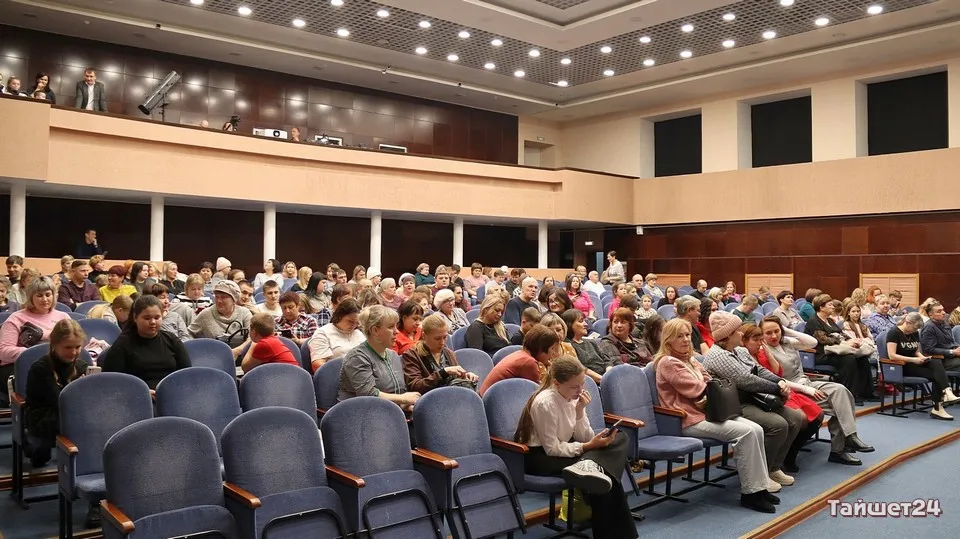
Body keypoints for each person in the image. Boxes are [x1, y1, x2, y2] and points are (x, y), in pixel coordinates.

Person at [653, 318, 777, 513]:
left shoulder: (690, 359)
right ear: (668, 340)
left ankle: (761, 487)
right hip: (688, 419)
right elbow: (697, 389)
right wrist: (707, 391)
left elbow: (709, 380)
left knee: (757, 429)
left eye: (687, 335)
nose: (686, 339)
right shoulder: (668, 362)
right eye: (679, 336)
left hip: (708, 413)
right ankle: (750, 493)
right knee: (745, 433)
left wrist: (707, 391)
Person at [516, 356, 637, 539]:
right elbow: (552, 449)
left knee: (620, 437)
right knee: (603, 472)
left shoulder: (575, 397)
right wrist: (587, 447)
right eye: (575, 387)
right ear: (556, 384)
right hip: (541, 457)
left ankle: (588, 465)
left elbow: (585, 437)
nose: (580, 390)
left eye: (582, 384)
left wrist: (579, 411)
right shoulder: (545, 403)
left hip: (567, 449)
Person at [704, 312, 804, 489]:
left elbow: (759, 370)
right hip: (734, 404)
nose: (741, 333)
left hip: (753, 398)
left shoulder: (740, 350)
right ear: (728, 335)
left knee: (796, 418)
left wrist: (779, 381)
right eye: (737, 330)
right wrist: (776, 388)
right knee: (778, 425)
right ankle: (760, 474)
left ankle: (773, 467)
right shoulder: (717, 356)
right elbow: (745, 380)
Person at [759, 316, 873, 466]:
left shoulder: (787, 342)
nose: (774, 336)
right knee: (841, 405)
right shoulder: (763, 350)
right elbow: (775, 379)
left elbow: (813, 342)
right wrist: (807, 389)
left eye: (776, 331)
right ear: (761, 334)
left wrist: (786, 330)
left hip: (806, 381)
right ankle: (840, 449)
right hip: (790, 390)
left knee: (841, 391)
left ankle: (850, 436)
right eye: (768, 333)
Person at [24, 319, 95, 524]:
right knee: (87, 429)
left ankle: (95, 495)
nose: (74, 352)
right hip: (44, 416)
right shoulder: (41, 368)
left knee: (93, 425)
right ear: (54, 345)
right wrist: (79, 390)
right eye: (68, 347)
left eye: (77, 347)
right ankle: (90, 491)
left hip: (72, 414)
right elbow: (60, 402)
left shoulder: (81, 365)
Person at [0, 277, 71, 403]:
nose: (44, 299)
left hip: (57, 364)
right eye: (39, 295)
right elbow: (3, 351)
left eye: (48, 294)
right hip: (19, 366)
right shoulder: (16, 319)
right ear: (30, 297)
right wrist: (34, 353)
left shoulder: (63, 317)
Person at [338, 305, 420, 411]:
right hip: (360, 414)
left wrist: (408, 405)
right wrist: (403, 399)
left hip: (389, 412)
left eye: (396, 326)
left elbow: (399, 392)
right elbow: (369, 394)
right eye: (391, 327)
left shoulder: (393, 355)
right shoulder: (357, 358)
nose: (396, 331)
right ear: (375, 330)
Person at [103, 295, 191, 389]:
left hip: (171, 391)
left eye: (157, 318)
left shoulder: (172, 340)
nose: (153, 322)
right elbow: (112, 381)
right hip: (137, 394)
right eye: (147, 318)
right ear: (135, 317)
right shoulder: (122, 344)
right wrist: (141, 391)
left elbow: (186, 374)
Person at [886, 312, 957, 420]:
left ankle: (947, 392)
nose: (914, 331)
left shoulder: (914, 333)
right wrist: (913, 360)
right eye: (914, 328)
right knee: (937, 376)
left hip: (915, 363)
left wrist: (922, 357)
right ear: (907, 322)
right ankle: (939, 407)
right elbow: (892, 355)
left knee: (935, 362)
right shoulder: (894, 333)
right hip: (903, 366)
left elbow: (916, 351)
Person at [804, 294, 873, 404]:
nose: (833, 307)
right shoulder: (813, 321)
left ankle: (866, 392)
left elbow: (841, 334)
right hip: (820, 354)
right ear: (821, 307)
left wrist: (852, 341)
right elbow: (823, 339)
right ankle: (850, 394)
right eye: (830, 305)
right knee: (849, 359)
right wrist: (844, 342)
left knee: (862, 358)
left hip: (835, 351)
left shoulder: (830, 320)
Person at [402, 314, 479, 393]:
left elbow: (455, 379)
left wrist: (466, 376)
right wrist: (443, 373)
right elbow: (415, 386)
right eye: (437, 338)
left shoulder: (449, 353)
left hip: (452, 395)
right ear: (424, 335)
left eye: (445, 337)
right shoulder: (412, 355)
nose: (442, 342)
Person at [478, 325, 560, 395]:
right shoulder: (529, 362)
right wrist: (552, 371)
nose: (553, 353)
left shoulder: (522, 354)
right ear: (541, 348)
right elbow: (538, 394)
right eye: (552, 348)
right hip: (493, 402)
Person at [187, 280, 251, 361]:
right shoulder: (206, 314)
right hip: (214, 360)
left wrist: (237, 351)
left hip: (241, 359)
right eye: (217, 297)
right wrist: (199, 351)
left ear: (234, 300)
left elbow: (252, 338)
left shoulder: (244, 313)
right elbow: (188, 333)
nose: (219, 301)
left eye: (223, 297)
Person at [562, 309, 618, 384]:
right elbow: (580, 369)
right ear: (569, 325)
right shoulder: (567, 346)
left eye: (584, 321)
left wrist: (608, 376)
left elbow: (607, 360)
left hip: (606, 379)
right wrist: (604, 380)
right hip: (590, 383)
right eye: (581, 321)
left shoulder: (591, 342)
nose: (586, 324)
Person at [309, 298, 364, 372]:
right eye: (350, 321)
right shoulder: (323, 333)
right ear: (340, 316)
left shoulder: (359, 334)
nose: (353, 325)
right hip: (337, 375)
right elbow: (317, 365)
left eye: (357, 323)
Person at [920, 299, 960, 372]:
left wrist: (957, 348)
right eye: (939, 311)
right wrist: (952, 351)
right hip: (942, 360)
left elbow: (951, 342)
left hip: (952, 356)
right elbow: (929, 349)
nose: (944, 313)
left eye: (943, 310)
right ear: (931, 315)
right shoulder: (929, 327)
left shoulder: (944, 323)